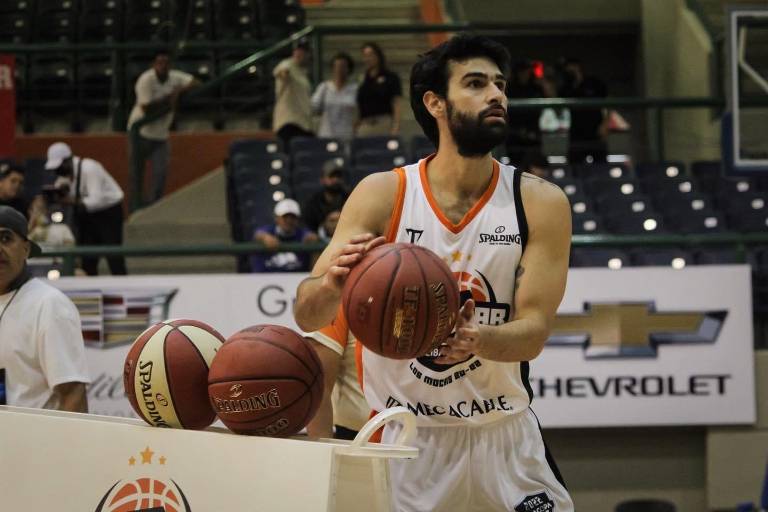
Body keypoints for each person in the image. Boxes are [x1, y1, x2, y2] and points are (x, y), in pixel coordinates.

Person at [294, 34, 573, 511]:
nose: (497, 95)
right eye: (476, 83)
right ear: (435, 103)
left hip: (502, 436)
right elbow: (306, 313)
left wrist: (476, 340)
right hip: (405, 443)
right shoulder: (383, 194)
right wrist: (333, 284)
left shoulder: (540, 203)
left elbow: (534, 333)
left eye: (500, 84)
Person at [0, 205, 90, 411]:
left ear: (26, 248)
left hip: (33, 440)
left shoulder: (49, 304)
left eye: (6, 239)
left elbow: (72, 393)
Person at [127, 51, 199, 206]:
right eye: (159, 62)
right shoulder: (146, 80)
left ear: (170, 65)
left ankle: (154, 206)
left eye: (166, 62)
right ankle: (135, 207)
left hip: (161, 135)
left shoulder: (175, 77)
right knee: (136, 175)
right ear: (154, 65)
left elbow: (195, 82)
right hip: (140, 133)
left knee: (160, 174)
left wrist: (178, 92)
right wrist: (169, 100)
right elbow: (146, 108)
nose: (163, 66)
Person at [45, 142, 127, 276]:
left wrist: (70, 200)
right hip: (86, 214)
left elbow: (96, 199)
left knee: (113, 256)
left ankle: (123, 286)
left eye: (59, 166)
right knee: (87, 257)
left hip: (108, 212)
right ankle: (90, 290)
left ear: (69, 160)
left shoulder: (89, 168)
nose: (57, 171)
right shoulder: (64, 177)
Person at [305, 306, 369, 440]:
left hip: (419, 426)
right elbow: (317, 385)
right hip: (357, 438)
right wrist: (320, 454)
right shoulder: (340, 301)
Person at [559, 57, 609, 164]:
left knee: (600, 165)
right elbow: (558, 104)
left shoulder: (594, 83)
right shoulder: (566, 87)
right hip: (576, 132)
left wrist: (605, 125)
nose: (569, 70)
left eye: (570, 67)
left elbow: (607, 104)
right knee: (574, 164)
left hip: (595, 130)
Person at [251, 198, 318, 272]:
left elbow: (311, 236)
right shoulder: (269, 230)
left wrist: (312, 239)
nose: (289, 221)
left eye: (293, 217)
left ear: (298, 219)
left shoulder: (302, 232)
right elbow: (258, 234)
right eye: (285, 217)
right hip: (265, 279)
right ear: (276, 218)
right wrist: (265, 238)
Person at [356, 42, 402, 136]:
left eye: (371, 55)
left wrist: (396, 126)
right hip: (365, 124)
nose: (368, 59)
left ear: (378, 56)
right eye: (365, 56)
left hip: (383, 123)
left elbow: (396, 102)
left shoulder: (391, 77)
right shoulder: (362, 79)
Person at [273, 41, 313, 147]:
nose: (300, 53)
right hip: (289, 123)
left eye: (304, 51)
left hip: (304, 124)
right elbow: (282, 72)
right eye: (297, 50)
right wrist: (284, 74)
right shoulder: (287, 64)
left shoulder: (303, 74)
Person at [311, 52, 358, 141]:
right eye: (336, 66)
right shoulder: (324, 87)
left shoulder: (355, 89)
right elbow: (314, 107)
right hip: (326, 135)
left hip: (347, 136)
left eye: (343, 66)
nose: (339, 69)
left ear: (349, 69)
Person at [505, 59, 544, 164]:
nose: (524, 74)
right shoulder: (510, 88)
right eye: (522, 71)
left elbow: (552, 97)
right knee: (516, 167)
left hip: (533, 133)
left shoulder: (536, 88)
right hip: (515, 134)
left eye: (527, 71)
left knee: (535, 168)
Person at [302, 160, 349, 233]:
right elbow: (308, 228)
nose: (336, 179)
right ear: (322, 179)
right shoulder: (313, 203)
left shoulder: (350, 198)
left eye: (338, 176)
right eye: (331, 176)